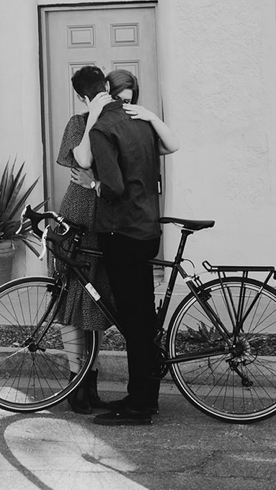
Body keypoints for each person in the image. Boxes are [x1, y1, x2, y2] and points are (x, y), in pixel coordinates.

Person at [70, 65, 177, 426]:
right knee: (142, 319)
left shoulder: (102, 127)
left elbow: (110, 184)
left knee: (135, 322)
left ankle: (139, 408)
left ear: (88, 98)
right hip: (146, 230)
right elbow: (167, 148)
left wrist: (94, 186)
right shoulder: (141, 122)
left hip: (121, 233)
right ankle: (141, 396)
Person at [51, 67, 116, 413]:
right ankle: (77, 384)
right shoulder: (80, 123)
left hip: (101, 217)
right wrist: (92, 118)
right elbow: (74, 159)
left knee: (96, 304)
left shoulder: (115, 121)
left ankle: (89, 383)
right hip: (77, 215)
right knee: (73, 301)